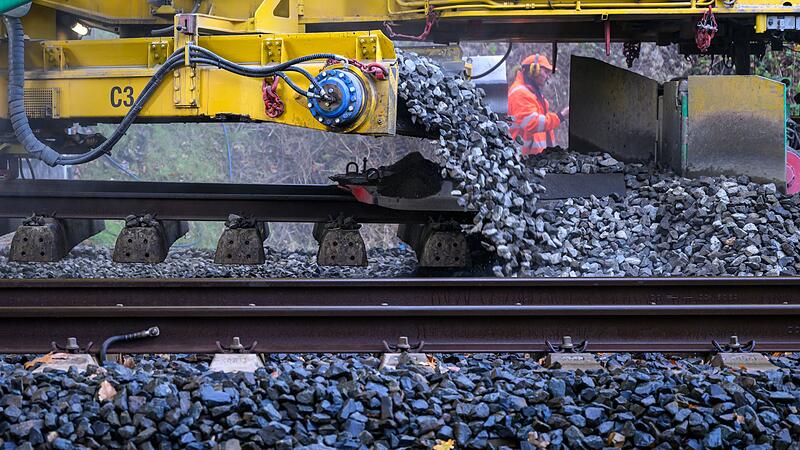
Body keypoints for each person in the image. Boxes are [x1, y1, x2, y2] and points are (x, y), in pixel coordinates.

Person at [507, 54, 569, 156]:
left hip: (535, 158)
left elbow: (541, 122)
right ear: (533, 71)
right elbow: (533, 123)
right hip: (524, 160)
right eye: (546, 71)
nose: (548, 76)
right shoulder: (520, 93)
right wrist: (560, 116)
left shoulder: (532, 93)